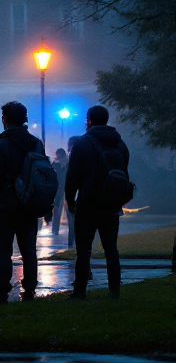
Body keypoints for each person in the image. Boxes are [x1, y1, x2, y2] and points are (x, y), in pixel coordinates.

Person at [66, 105, 131, 300]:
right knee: (111, 248)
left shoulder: (82, 143)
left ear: (89, 120)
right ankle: (114, 290)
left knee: (84, 249)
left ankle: (80, 291)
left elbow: (73, 175)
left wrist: (70, 199)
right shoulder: (119, 143)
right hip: (112, 202)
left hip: (88, 202)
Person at [0, 101, 46, 305]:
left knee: (4, 250)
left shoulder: (1, 145)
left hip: (6, 203)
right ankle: (29, 289)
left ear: (5, 120)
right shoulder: (36, 143)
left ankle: (2, 292)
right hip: (29, 203)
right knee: (29, 249)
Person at [51, 148, 69, 236]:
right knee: (60, 209)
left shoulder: (56, 164)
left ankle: (55, 230)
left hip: (60, 189)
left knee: (58, 210)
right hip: (62, 189)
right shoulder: (66, 164)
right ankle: (55, 230)